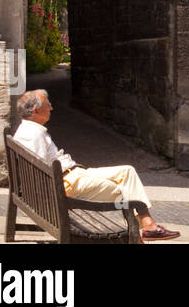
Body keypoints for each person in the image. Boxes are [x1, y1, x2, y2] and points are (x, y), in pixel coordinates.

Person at [12, 89, 180, 242]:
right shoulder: (33, 135)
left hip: (74, 174)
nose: (51, 108)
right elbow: (39, 173)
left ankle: (148, 226)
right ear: (35, 111)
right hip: (68, 183)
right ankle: (140, 236)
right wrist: (57, 197)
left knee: (127, 172)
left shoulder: (30, 130)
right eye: (48, 105)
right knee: (124, 190)